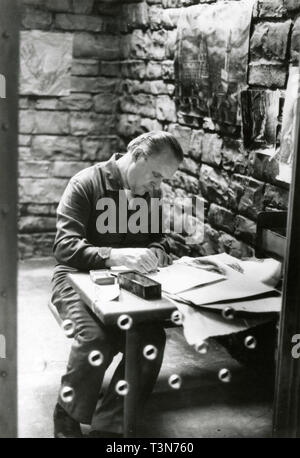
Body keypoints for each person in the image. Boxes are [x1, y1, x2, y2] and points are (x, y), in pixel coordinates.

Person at [51, 131, 184, 438]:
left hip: (125, 285)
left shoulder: (150, 192)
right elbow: (64, 246)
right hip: (75, 278)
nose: (158, 185)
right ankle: (66, 414)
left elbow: (160, 238)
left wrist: (158, 250)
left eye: (164, 179)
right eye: (155, 175)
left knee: (151, 340)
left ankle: (110, 426)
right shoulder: (86, 183)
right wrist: (114, 256)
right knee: (97, 338)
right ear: (136, 156)